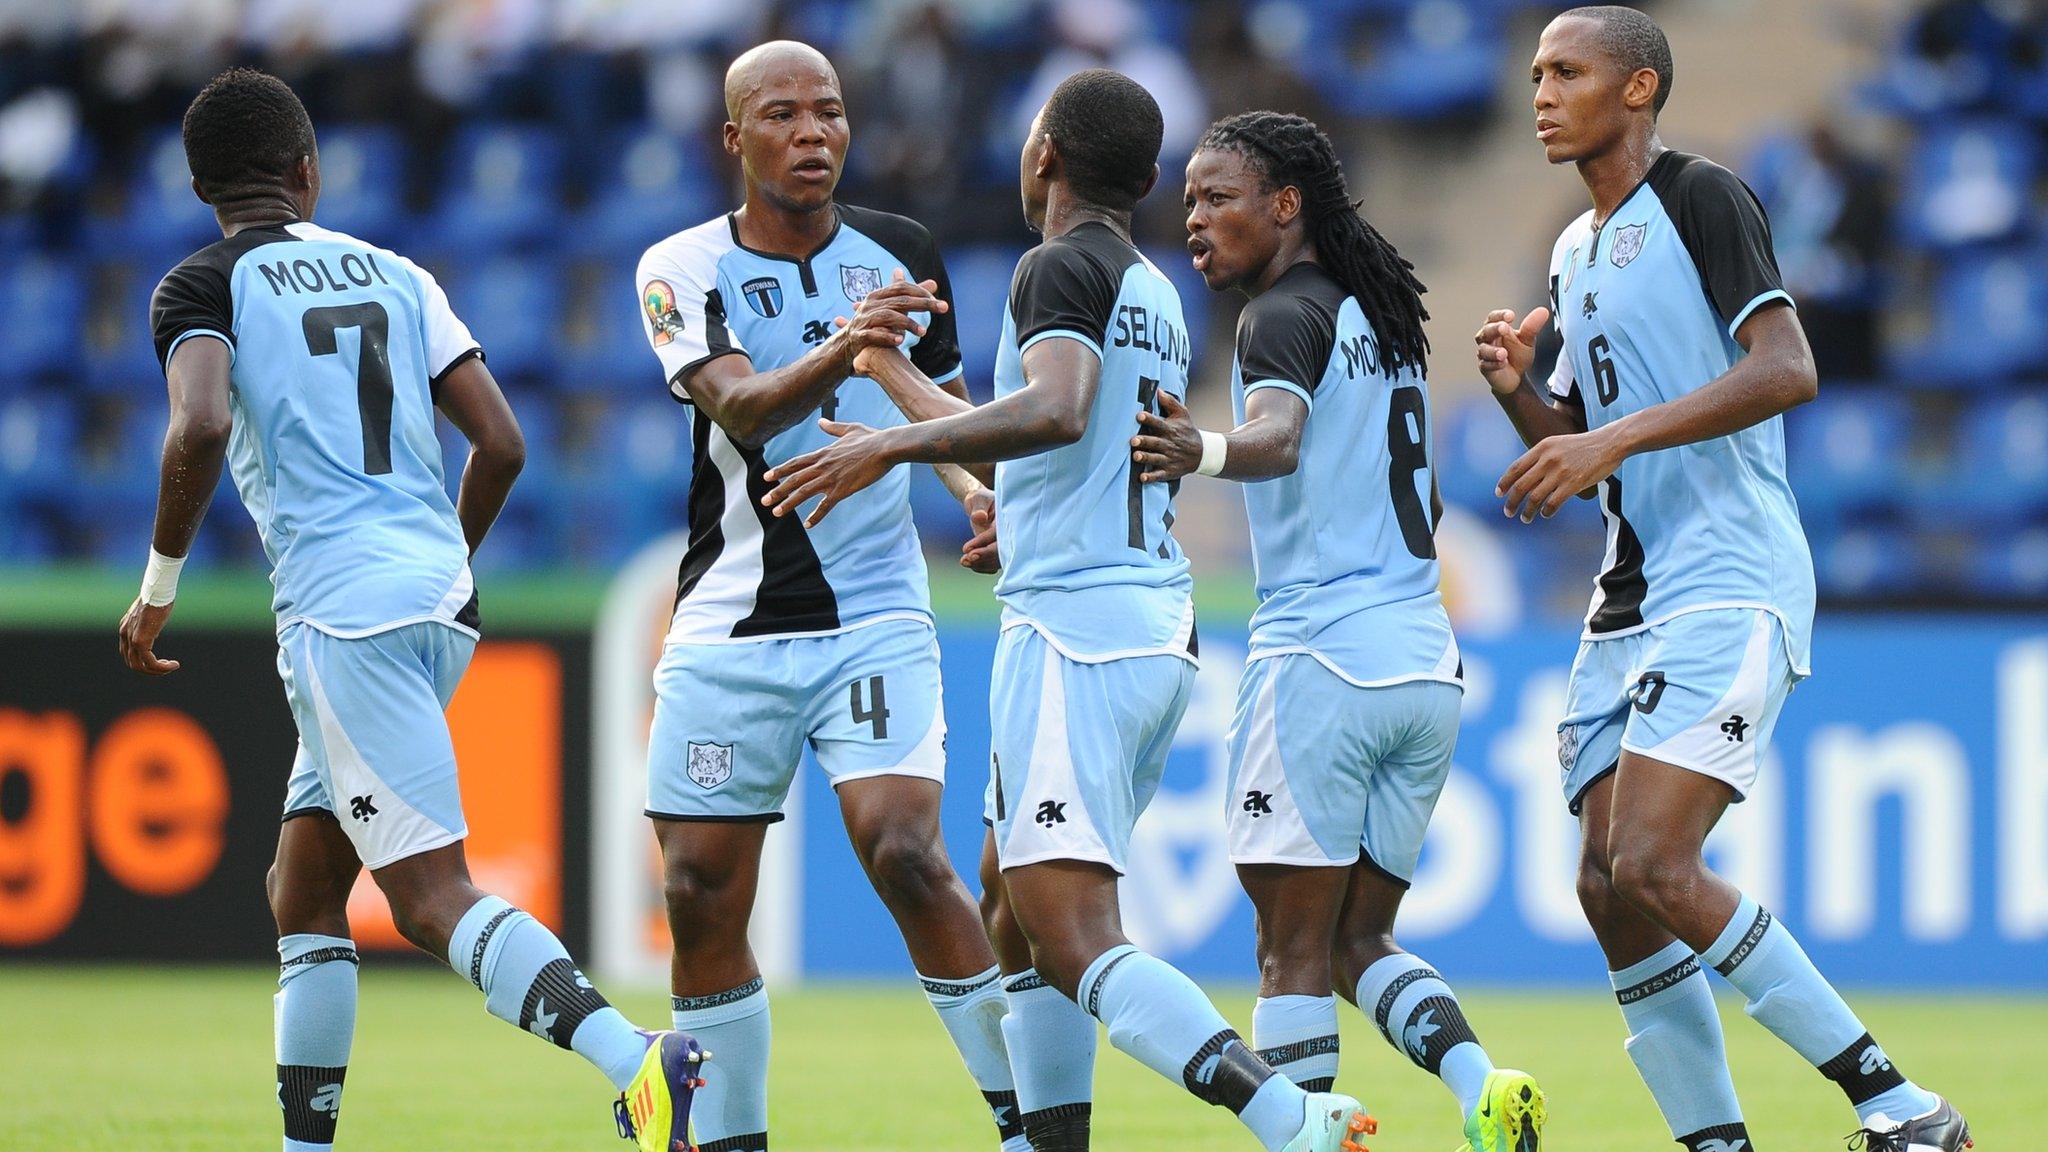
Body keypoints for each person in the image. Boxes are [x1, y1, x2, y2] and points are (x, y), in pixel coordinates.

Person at [760, 67, 1374, 1152]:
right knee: (1008, 899)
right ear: (1143, 180)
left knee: (1066, 929)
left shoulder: (1055, 266)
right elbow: (1064, 445)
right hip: (1137, 621)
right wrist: (888, 373)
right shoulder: (1143, 287)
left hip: (1078, 635)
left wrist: (889, 446)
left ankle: (1291, 1120)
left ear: (1043, 153)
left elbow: (1054, 411)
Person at [116, 67, 703, 1152]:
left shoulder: (200, 285)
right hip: (434, 600)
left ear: (201, 186)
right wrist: (444, 560)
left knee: (430, 899)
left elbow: (197, 428)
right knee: (303, 887)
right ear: (308, 172)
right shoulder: (399, 272)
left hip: (343, 613)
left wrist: (157, 590)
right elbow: (505, 442)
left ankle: (638, 1062)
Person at [1473, 9, 1970, 1152]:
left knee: (1651, 858)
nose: (1541, 91)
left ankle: (1897, 1106)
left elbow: (1783, 369)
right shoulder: (1569, 248)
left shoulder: (1702, 199)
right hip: (1626, 600)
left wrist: (1607, 442)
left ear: (1637, 88)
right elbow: (1579, 435)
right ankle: (1717, 1144)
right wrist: (1516, 394)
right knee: (1605, 887)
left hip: (1727, 576)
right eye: (1536, 72)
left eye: (1567, 72)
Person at [629, 40, 1022, 1152]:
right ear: (733, 138)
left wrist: (966, 488)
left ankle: (1027, 1121)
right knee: (700, 889)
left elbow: (934, 401)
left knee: (903, 848)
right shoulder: (679, 266)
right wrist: (845, 347)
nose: (814, 134)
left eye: (831, 113)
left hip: (874, 611)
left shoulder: (898, 252)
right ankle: (734, 1137)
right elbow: (740, 410)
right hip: (730, 620)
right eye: (784, 115)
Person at [1130, 108, 1547, 1152]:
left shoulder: (1279, 318)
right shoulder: (1382, 317)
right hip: (1421, 661)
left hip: (1319, 658)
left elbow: (1273, 441)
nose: (1194, 220)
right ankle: (1478, 1085)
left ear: (1286, 204)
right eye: (1186, 200)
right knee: (1362, 938)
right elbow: (1428, 501)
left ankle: (1309, 1135)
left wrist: (1201, 452)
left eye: (1218, 198)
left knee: (1289, 951)